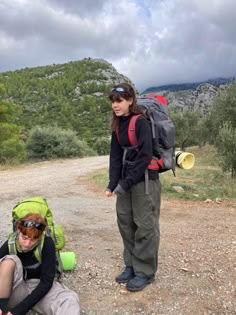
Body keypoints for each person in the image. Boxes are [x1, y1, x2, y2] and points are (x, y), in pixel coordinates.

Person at [105, 83, 161, 292]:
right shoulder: (118, 125)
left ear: (130, 100)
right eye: (112, 101)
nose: (115, 105)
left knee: (145, 226)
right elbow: (116, 157)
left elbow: (145, 156)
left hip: (145, 180)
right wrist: (112, 184)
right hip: (125, 183)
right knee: (126, 223)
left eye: (119, 101)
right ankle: (131, 265)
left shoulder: (141, 122)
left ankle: (145, 272)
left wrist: (125, 183)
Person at [0, 212, 80, 315]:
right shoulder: (11, 243)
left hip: (38, 288)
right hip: (13, 289)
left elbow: (46, 282)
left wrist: (17, 311)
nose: (27, 244)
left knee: (69, 299)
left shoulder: (47, 244)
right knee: (9, 261)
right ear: (18, 231)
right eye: (24, 238)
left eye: (33, 240)